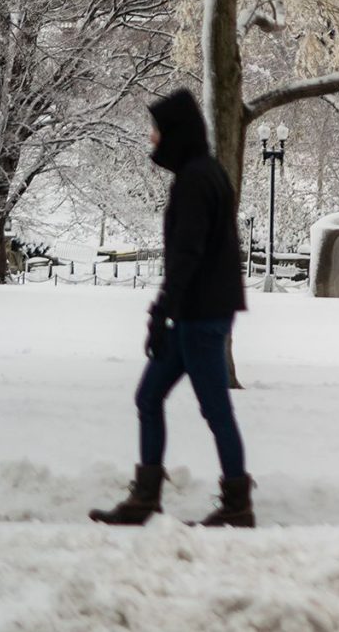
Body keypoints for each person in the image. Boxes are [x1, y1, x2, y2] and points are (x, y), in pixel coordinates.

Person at [90, 89, 251, 528]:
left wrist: (160, 312)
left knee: (213, 408)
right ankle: (147, 498)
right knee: (150, 397)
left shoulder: (197, 180)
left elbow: (188, 254)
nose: (153, 137)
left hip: (199, 316)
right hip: (198, 313)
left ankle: (236, 503)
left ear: (176, 133)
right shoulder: (204, 173)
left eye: (158, 130)